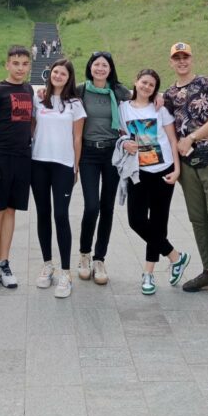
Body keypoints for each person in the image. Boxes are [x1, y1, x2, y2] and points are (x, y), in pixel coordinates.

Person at [163, 42, 208, 317]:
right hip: (187, 166)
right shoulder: (169, 94)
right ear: (171, 62)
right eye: (177, 58)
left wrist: (192, 137)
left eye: (186, 57)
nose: (182, 61)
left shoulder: (206, 84)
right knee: (198, 218)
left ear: (192, 59)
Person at [118, 69, 189, 295]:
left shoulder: (160, 109)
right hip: (138, 172)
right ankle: (176, 257)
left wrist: (177, 169)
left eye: (151, 85)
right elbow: (120, 134)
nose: (147, 87)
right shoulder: (123, 108)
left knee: (158, 222)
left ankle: (148, 274)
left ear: (155, 89)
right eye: (144, 82)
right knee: (136, 221)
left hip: (163, 170)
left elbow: (172, 139)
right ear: (136, 82)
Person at [0, 45, 34, 292]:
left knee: (11, 211)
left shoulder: (28, 89)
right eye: (16, 63)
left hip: (22, 159)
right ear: (7, 65)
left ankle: (3, 263)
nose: (20, 68)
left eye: (25, 64)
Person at [31, 59, 86, 298]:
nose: (58, 76)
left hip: (63, 165)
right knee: (43, 214)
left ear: (69, 77)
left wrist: (76, 167)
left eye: (63, 73)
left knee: (61, 215)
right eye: (55, 72)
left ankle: (65, 272)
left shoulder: (75, 104)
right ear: (50, 74)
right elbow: (32, 128)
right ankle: (47, 265)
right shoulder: (39, 99)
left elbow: (77, 138)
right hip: (38, 162)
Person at [77, 51, 130, 285]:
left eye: (105, 65)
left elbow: (142, 98)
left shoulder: (118, 91)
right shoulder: (80, 90)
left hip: (112, 153)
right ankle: (84, 254)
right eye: (96, 64)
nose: (100, 68)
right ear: (90, 67)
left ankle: (100, 258)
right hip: (88, 153)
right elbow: (58, 98)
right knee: (91, 206)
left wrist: (159, 99)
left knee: (107, 207)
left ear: (110, 69)